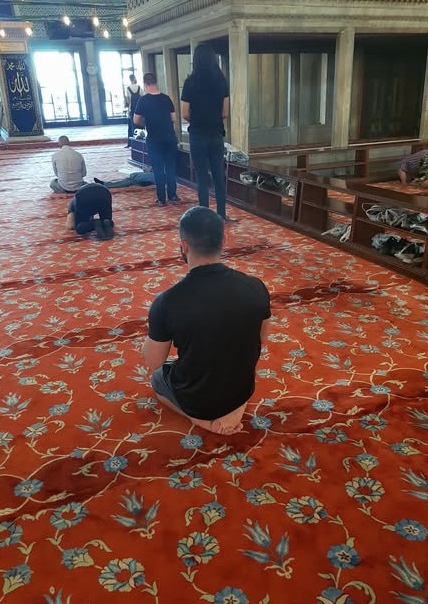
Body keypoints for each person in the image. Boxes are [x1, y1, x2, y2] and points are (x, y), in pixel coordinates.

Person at [141, 206, 271, 435]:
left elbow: (154, 362)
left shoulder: (167, 302)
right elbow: (262, 338)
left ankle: (199, 419)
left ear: (184, 246)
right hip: (242, 389)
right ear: (224, 239)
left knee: (157, 379)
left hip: (198, 399)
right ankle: (232, 409)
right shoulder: (255, 286)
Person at [181, 43, 230, 221]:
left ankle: (204, 216)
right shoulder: (222, 81)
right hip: (216, 133)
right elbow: (225, 112)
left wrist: (198, 120)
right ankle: (222, 215)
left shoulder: (190, 82)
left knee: (201, 178)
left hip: (197, 135)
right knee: (218, 177)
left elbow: (185, 113)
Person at [133, 72, 180, 207]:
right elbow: (173, 119)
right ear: (156, 82)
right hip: (170, 138)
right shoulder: (166, 98)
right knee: (170, 166)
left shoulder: (143, 100)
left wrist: (145, 123)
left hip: (154, 139)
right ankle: (172, 194)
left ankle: (161, 198)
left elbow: (136, 120)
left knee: (158, 168)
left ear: (145, 84)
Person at [125, 74, 143, 147]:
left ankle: (130, 143)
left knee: (131, 127)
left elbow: (127, 100)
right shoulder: (139, 88)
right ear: (134, 78)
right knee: (140, 126)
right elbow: (142, 98)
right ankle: (140, 143)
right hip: (139, 110)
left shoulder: (128, 88)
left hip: (131, 110)